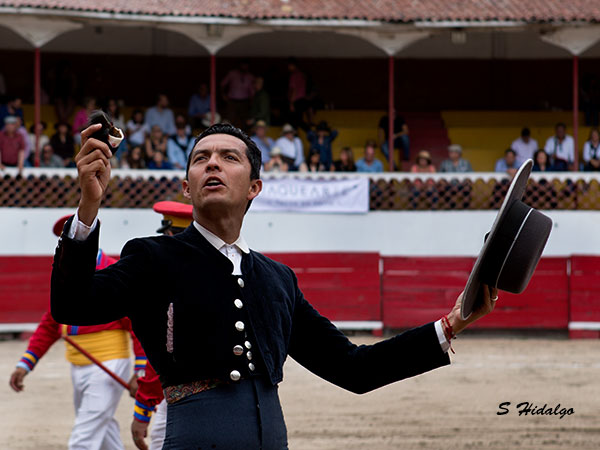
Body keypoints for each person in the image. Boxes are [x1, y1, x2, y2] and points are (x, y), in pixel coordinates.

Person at [51, 122, 498, 449]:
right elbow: (71, 304)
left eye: (229, 158)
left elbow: (353, 369)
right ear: (187, 188)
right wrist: (88, 209)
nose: (212, 164)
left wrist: (451, 324)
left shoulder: (276, 279)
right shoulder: (153, 257)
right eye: (200, 159)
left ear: (255, 187)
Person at [10, 215, 147, 450]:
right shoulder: (65, 278)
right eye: (66, 241)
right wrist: (25, 364)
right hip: (79, 366)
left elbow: (137, 326)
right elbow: (50, 324)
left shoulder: (115, 270)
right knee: (102, 431)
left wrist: (141, 370)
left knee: (84, 437)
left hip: (109, 363)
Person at [131, 202, 195, 450]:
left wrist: (143, 409)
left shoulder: (168, 279)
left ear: (170, 236)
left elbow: (162, 351)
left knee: (161, 442)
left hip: (182, 388)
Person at [221, 62, 255, 129]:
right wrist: (223, 94)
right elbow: (222, 84)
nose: (244, 67)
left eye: (246, 66)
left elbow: (252, 90)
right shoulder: (232, 73)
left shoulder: (250, 76)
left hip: (245, 101)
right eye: (243, 65)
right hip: (232, 101)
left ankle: (243, 136)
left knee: (244, 120)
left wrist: (252, 100)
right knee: (230, 118)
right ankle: (229, 133)